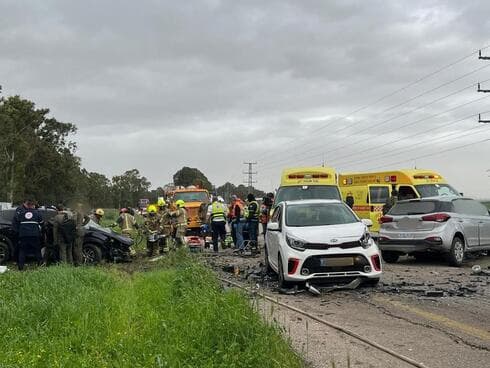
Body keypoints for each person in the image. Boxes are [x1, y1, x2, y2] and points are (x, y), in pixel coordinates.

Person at [12, 199, 44, 270]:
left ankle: (20, 267)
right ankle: (40, 265)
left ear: (27, 205)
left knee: (22, 251)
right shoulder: (37, 213)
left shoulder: (21, 213)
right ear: (32, 205)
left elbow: (17, 222)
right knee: (37, 250)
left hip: (23, 235)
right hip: (34, 235)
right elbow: (42, 223)